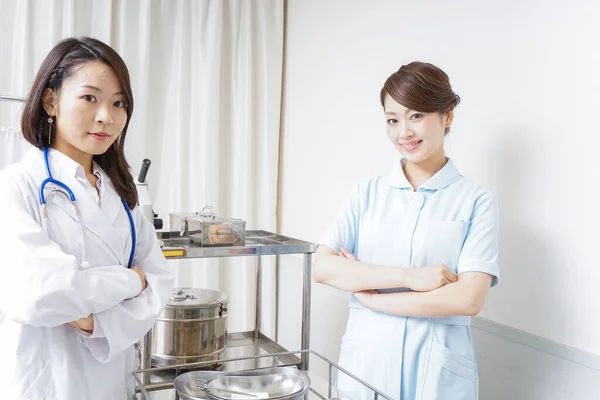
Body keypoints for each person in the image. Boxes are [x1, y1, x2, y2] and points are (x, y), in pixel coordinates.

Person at [0, 37, 174, 400]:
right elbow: (40, 294)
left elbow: (158, 283)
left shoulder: (124, 193)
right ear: (51, 101)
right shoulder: (17, 186)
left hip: (113, 382)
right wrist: (129, 282)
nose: (106, 117)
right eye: (89, 97)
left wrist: (94, 320)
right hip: (46, 383)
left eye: (119, 103)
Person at [314, 61, 499, 400]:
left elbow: (469, 297)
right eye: (392, 120)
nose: (404, 133)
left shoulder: (476, 201)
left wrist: (373, 296)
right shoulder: (365, 194)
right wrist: (411, 278)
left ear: (448, 116)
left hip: (437, 373)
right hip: (366, 364)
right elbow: (323, 267)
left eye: (416, 116)